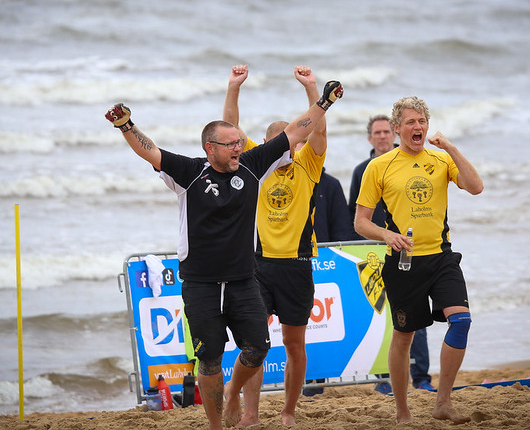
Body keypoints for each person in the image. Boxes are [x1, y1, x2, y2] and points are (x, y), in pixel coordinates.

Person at [105, 67, 343, 430]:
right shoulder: (188, 173)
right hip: (200, 283)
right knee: (210, 361)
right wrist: (126, 125)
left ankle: (234, 396)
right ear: (210, 148)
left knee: (258, 348)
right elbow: (150, 151)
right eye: (231, 144)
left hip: (243, 280)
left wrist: (323, 99)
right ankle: (216, 426)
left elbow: (298, 130)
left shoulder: (250, 166)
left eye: (239, 143)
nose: (239, 147)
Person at [354, 96, 483, 424]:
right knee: (404, 337)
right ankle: (402, 410)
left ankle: (443, 401)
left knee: (462, 321)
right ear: (397, 128)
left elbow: (476, 186)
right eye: (410, 122)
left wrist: (450, 148)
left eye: (422, 122)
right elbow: (360, 221)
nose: (418, 127)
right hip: (403, 263)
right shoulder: (379, 166)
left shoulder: (441, 160)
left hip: (441, 257)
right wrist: (386, 235)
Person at [222, 65, 326, 426]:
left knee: (295, 345)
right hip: (258, 265)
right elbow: (229, 131)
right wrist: (234, 87)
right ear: (266, 147)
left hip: (296, 264)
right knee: (253, 344)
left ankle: (288, 411)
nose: (286, 148)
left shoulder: (308, 164)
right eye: (278, 143)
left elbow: (318, 127)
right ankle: (249, 411)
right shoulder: (254, 166)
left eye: (291, 142)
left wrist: (312, 88)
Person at [349, 114, 433, 393]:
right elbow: (355, 215)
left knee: (415, 316)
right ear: (369, 137)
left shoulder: (410, 162)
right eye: (378, 132)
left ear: (393, 134)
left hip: (409, 248)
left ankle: (421, 377)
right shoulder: (363, 169)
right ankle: (384, 378)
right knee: (383, 316)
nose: (383, 136)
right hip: (374, 249)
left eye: (387, 131)